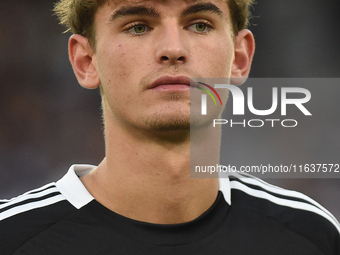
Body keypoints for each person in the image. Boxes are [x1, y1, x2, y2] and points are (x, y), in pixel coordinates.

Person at [0, 0, 339, 254]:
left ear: (239, 57)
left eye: (200, 24)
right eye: (138, 26)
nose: (173, 49)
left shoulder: (310, 234)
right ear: (86, 61)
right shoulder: (13, 237)